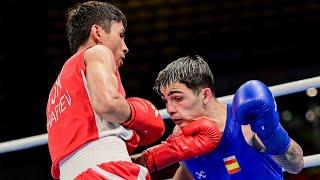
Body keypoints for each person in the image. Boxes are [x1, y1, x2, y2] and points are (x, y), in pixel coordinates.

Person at [45, 1, 167, 179]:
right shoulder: (98, 52)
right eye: (121, 35)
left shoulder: (56, 91)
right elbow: (108, 104)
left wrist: (127, 136)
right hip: (106, 171)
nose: (125, 47)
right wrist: (135, 113)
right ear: (98, 33)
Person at [134, 55, 304, 179]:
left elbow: (296, 166)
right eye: (166, 101)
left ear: (205, 95)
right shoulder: (180, 132)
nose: (170, 109)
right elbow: (187, 173)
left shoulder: (244, 124)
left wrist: (272, 133)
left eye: (178, 98)